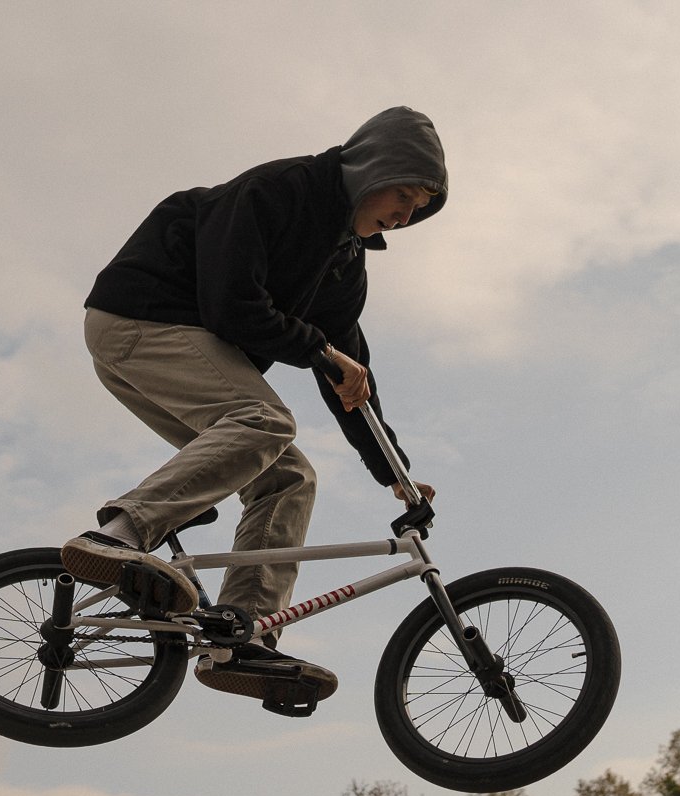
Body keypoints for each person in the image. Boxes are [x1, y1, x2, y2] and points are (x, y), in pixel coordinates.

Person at [63, 106, 446, 707]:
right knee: (264, 420)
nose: (404, 217)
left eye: (416, 209)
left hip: (179, 346)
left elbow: (351, 380)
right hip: (141, 318)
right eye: (402, 196)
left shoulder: (345, 265)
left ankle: (243, 637)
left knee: (289, 477)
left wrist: (392, 472)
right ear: (371, 169)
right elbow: (231, 304)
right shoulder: (279, 190)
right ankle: (118, 536)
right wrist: (321, 351)